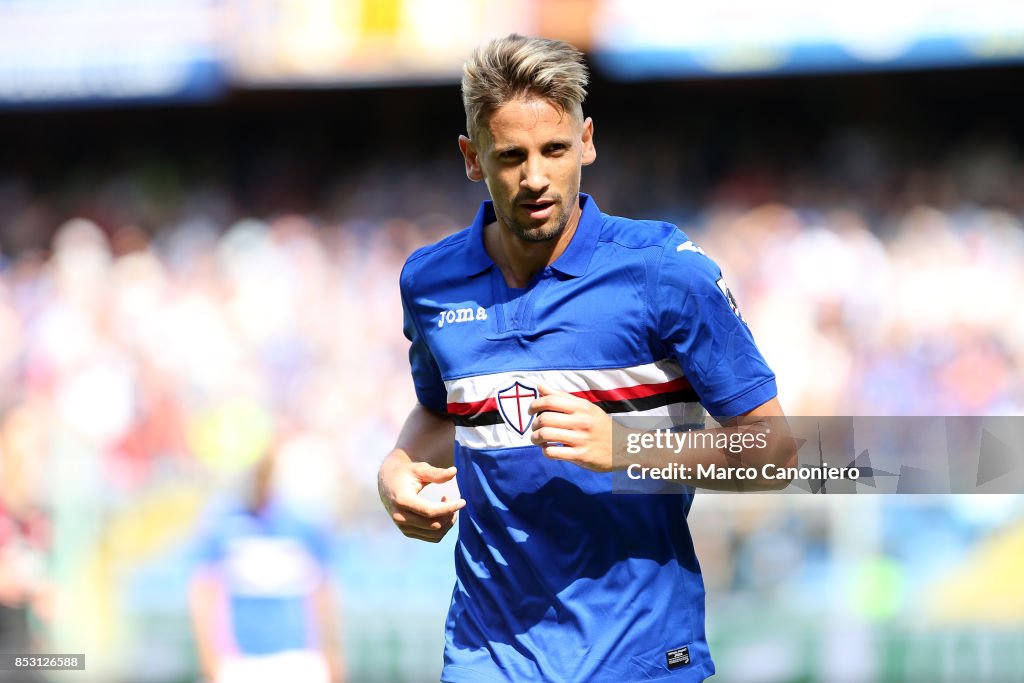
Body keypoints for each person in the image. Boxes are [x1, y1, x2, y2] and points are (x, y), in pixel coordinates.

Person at [377, 34, 794, 682]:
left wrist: (629, 447)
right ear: (471, 157)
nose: (536, 177)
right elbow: (440, 413)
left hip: (641, 656)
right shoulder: (430, 282)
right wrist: (398, 470)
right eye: (511, 156)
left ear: (588, 141)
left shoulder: (661, 271)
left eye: (555, 150)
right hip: (486, 656)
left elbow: (775, 451)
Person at [189, 450, 345, 683]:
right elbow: (203, 593)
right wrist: (211, 659)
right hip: (239, 662)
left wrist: (332, 655)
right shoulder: (221, 522)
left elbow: (323, 592)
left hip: (299, 660)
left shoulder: (303, 520)